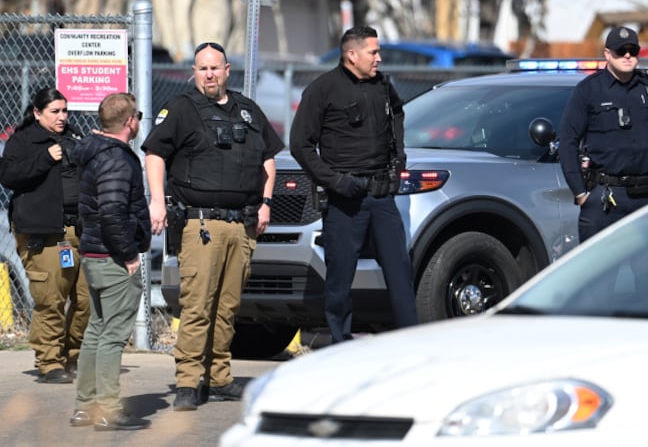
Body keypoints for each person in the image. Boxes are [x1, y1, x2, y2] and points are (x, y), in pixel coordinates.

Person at [141, 41, 284, 411]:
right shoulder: (181, 110)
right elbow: (155, 154)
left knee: (228, 307)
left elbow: (269, 158)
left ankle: (219, 377)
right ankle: (188, 381)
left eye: (215, 68)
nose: (209, 74)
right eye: (202, 68)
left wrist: (266, 203)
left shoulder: (248, 111)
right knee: (198, 305)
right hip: (201, 224)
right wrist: (157, 200)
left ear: (227, 69)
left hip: (243, 226)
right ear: (194, 72)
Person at [290, 25, 419, 344]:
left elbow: (398, 116)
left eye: (378, 52)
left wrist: (397, 158)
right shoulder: (323, 89)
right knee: (339, 281)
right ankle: (340, 343)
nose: (379, 58)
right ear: (352, 55)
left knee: (400, 275)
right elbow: (300, 145)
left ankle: (412, 341)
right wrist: (334, 181)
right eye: (373, 52)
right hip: (344, 202)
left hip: (381, 198)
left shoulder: (383, 87)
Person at [559, 26, 648, 242]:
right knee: (602, 274)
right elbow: (568, 142)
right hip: (605, 201)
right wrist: (580, 194)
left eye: (632, 51)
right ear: (607, 54)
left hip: (647, 197)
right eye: (620, 50)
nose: (627, 55)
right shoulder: (588, 90)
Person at [68, 92, 151, 431]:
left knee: (97, 331)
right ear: (130, 121)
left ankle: (85, 406)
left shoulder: (93, 150)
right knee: (112, 335)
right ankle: (107, 410)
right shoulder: (116, 159)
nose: (139, 122)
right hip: (112, 255)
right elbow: (113, 210)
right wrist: (129, 255)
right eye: (139, 116)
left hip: (93, 252)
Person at [0, 87, 89, 384]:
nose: (62, 117)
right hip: (46, 233)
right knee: (50, 298)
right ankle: (50, 361)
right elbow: (9, 177)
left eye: (65, 111)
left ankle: (74, 356)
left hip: (81, 230)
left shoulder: (76, 139)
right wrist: (45, 157)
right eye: (55, 111)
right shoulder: (23, 141)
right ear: (38, 113)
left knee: (87, 300)